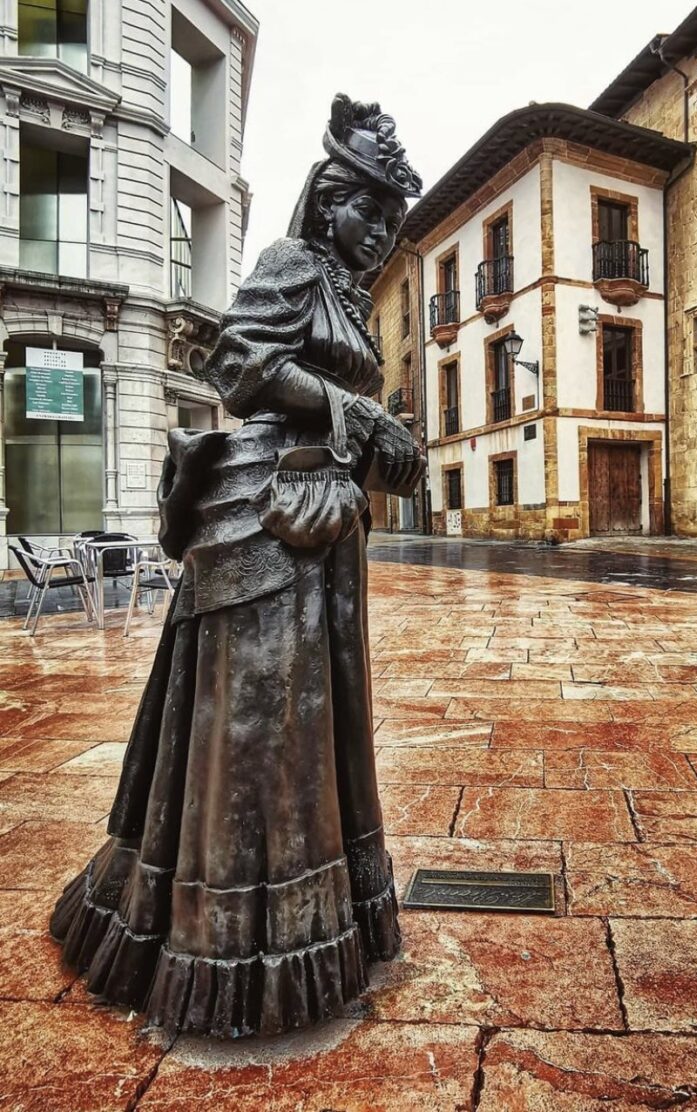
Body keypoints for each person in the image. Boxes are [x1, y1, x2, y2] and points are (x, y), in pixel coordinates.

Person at [50, 95, 425, 1038]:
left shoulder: (351, 294)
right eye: (367, 212)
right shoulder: (292, 263)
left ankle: (321, 920)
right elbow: (239, 363)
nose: (379, 234)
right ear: (327, 199)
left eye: (390, 220)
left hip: (325, 522)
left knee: (312, 726)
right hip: (262, 520)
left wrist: (371, 433)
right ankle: (222, 946)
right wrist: (359, 415)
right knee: (255, 732)